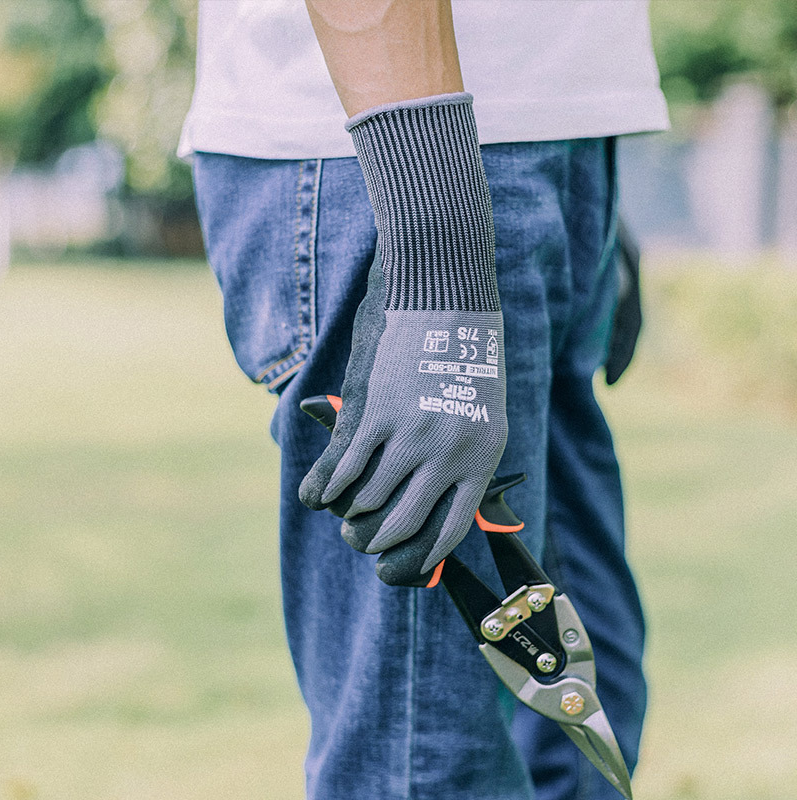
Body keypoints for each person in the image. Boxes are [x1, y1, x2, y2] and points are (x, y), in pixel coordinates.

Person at [179, 2, 668, 798]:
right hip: (406, 160)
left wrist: (582, 165)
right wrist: (431, 236)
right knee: (427, 764)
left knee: (585, 742)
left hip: (549, 142)